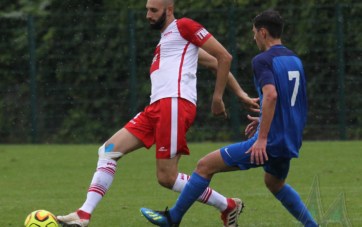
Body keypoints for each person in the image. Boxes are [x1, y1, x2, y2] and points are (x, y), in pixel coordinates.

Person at [57, 0, 259, 226]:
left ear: (169, 10)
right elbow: (214, 63)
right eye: (147, 10)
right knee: (108, 151)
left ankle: (227, 205)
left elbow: (224, 57)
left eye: (153, 10)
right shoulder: (169, 40)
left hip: (174, 104)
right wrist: (241, 95)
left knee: (167, 177)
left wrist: (218, 97)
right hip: (156, 108)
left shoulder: (184, 26)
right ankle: (84, 214)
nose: (148, 15)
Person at [141, 10, 320, 227]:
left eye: (254, 33)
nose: (254, 38)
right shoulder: (294, 59)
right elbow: (295, 101)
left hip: (270, 141)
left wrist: (262, 137)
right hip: (290, 137)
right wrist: (264, 119)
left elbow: (271, 95)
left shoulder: (262, 60)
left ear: (263, 32)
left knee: (205, 165)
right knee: (274, 183)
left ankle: (173, 218)